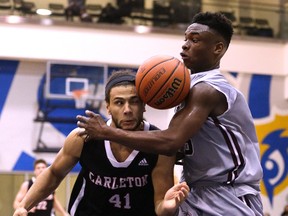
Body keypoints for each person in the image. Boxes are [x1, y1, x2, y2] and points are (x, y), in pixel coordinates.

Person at [76, 12, 264, 215]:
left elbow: (170, 142)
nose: (185, 45)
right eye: (185, 39)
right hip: (195, 190)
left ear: (218, 48)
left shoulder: (208, 89)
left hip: (229, 193)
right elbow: (180, 147)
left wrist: (107, 132)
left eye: (195, 39)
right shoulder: (189, 89)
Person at [13, 70, 189, 216]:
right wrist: (24, 205)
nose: (127, 110)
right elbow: (53, 174)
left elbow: (160, 204)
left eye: (134, 101)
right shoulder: (83, 137)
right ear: (108, 107)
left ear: (144, 105)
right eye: (119, 103)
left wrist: (167, 207)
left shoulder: (159, 144)